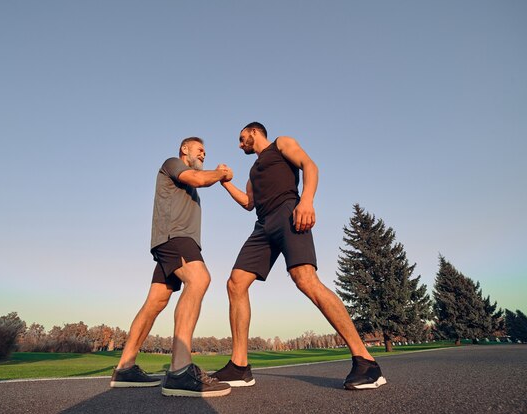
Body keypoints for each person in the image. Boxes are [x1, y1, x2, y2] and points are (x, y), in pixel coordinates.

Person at [212, 122, 387, 390]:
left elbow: (309, 165)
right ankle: (239, 366)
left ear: (254, 132)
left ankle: (366, 361)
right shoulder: (252, 172)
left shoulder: (281, 144)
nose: (240, 144)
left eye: (241, 138)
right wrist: (225, 184)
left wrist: (306, 201)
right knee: (235, 283)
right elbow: (249, 204)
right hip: (263, 225)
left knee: (305, 279)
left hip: (288, 212)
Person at [110, 137, 232, 397]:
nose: (204, 153)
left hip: (172, 242)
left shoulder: (190, 184)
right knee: (199, 280)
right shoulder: (173, 164)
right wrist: (221, 174)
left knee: (155, 302)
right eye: (199, 149)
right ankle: (179, 370)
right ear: (184, 149)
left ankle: (125, 368)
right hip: (175, 238)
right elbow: (199, 178)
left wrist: (218, 177)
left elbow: (200, 180)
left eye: (205, 152)